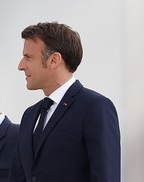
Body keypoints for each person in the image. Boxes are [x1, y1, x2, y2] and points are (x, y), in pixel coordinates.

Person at [9, 22, 120, 182]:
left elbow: (106, 177)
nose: (21, 66)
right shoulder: (29, 115)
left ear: (54, 60)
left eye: (28, 57)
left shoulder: (95, 107)